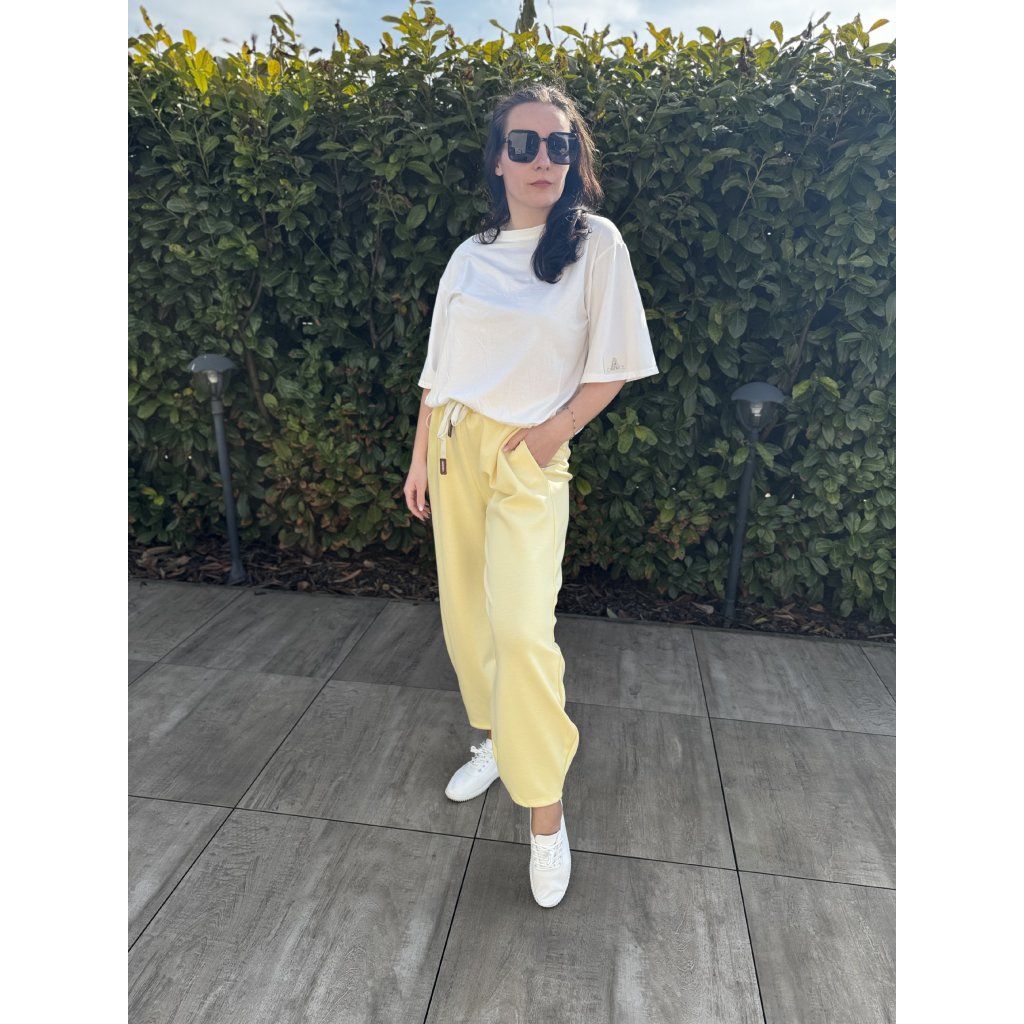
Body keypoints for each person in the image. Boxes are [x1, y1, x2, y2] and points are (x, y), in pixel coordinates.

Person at [403, 83, 659, 908]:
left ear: (573, 158)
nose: (543, 158)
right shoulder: (469, 255)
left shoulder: (595, 245)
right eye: (525, 144)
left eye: (559, 144)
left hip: (526, 457)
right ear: (498, 160)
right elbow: (438, 370)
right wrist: (420, 456)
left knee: (521, 632)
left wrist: (550, 436)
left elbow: (614, 365)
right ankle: (493, 740)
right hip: (455, 448)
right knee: (466, 619)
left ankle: (546, 815)